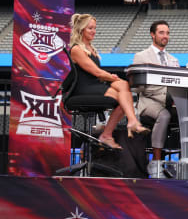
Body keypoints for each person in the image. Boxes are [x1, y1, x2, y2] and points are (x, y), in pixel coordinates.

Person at [69, 13, 149, 150]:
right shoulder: (77, 49)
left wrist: (109, 77)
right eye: (90, 28)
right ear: (81, 29)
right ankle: (127, 124)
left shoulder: (91, 49)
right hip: (83, 88)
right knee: (122, 97)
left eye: (95, 28)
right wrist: (111, 77)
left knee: (124, 87)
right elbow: (97, 72)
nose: (94, 31)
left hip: (94, 84)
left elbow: (97, 74)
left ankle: (121, 127)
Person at [132, 20, 179, 177]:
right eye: (161, 32)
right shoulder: (141, 56)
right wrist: (164, 89)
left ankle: (185, 161)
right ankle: (156, 163)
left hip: (170, 102)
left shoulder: (174, 60)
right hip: (149, 102)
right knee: (164, 115)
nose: (165, 36)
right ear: (152, 34)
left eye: (167, 33)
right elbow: (138, 87)